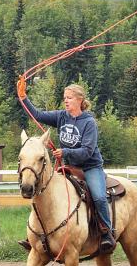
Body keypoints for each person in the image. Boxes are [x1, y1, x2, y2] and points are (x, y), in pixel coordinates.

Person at [18, 83, 116, 253]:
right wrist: (23, 97)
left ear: (80, 100)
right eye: (65, 98)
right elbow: (37, 115)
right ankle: (36, 236)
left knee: (99, 197)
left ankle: (106, 233)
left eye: (69, 98)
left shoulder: (89, 123)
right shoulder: (61, 117)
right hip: (68, 165)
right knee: (45, 191)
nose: (66, 101)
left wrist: (65, 152)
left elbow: (87, 151)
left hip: (89, 167)